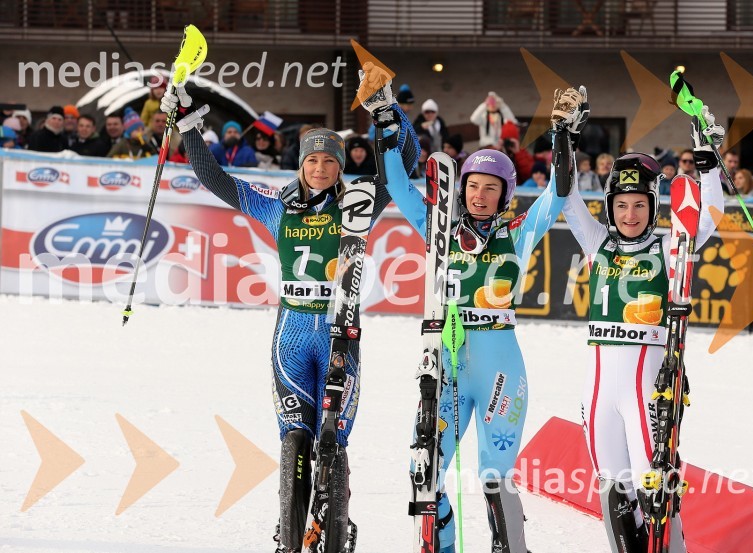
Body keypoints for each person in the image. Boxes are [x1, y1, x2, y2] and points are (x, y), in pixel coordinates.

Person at [161, 84, 406, 553]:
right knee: (295, 436)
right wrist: (190, 123)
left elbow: (401, 170)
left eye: (329, 162)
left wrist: (389, 114)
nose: (319, 168)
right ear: (301, 164)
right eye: (312, 161)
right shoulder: (276, 207)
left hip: (339, 336)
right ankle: (289, 530)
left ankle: (336, 523)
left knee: (331, 440)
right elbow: (217, 180)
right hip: (291, 336)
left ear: (340, 168)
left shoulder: (358, 205)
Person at [360, 63, 572, 553]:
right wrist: (387, 122)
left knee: (494, 479)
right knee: (424, 470)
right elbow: (397, 185)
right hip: (447, 365)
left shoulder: (517, 233)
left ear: (504, 195)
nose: (479, 195)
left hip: (499, 367)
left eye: (490, 188)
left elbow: (558, 193)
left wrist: (562, 136)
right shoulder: (439, 228)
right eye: (472, 185)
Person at [559, 87, 724, 553]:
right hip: (599, 392)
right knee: (613, 495)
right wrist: (566, 138)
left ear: (654, 206)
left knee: (657, 495)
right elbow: (567, 197)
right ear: (609, 206)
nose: (629, 214)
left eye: (639, 204)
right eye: (621, 204)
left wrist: (707, 154)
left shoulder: (670, 248)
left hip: (649, 390)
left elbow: (709, 213)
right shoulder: (598, 243)